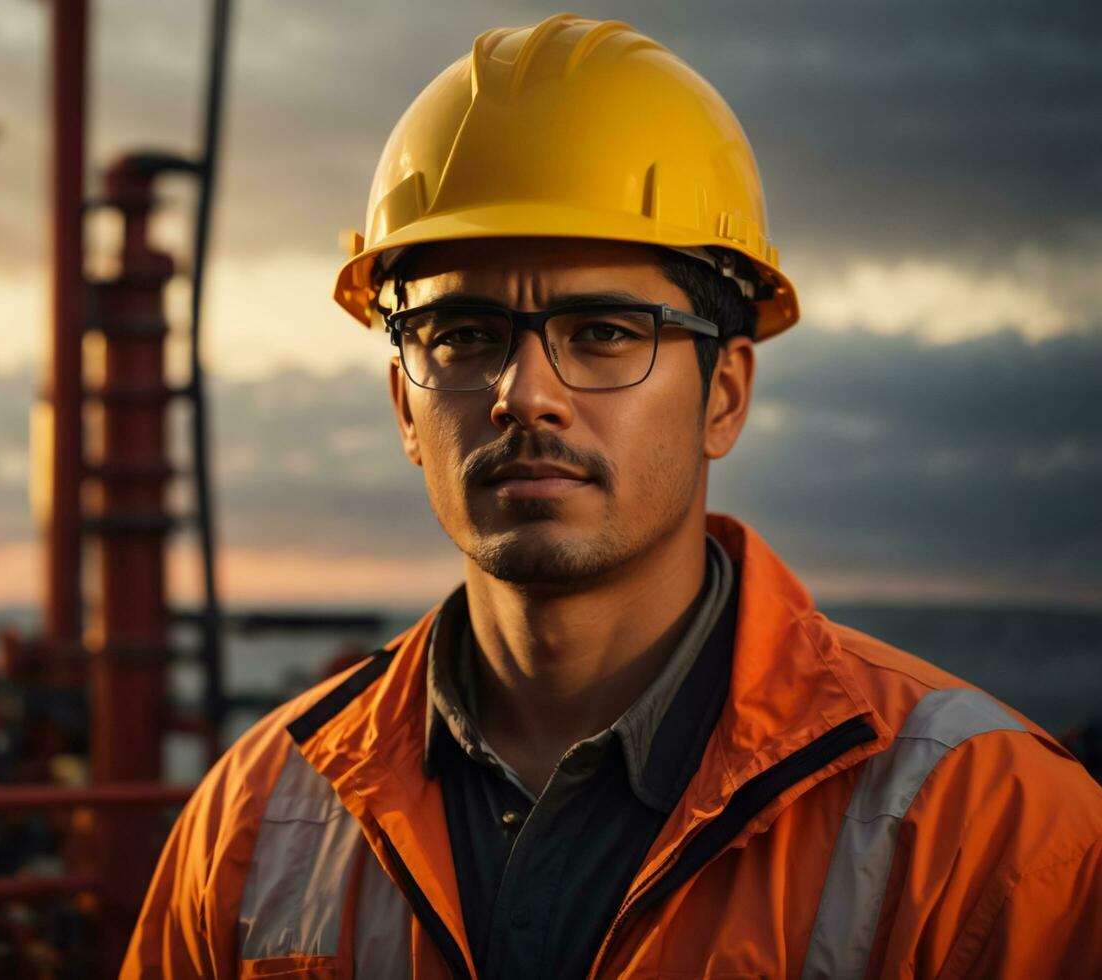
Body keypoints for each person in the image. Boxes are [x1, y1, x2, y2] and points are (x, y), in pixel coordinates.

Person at [121, 13, 1102, 979]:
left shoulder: (987, 825)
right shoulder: (254, 820)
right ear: (404, 408)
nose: (524, 394)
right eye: (462, 333)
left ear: (722, 395)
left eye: (601, 331)